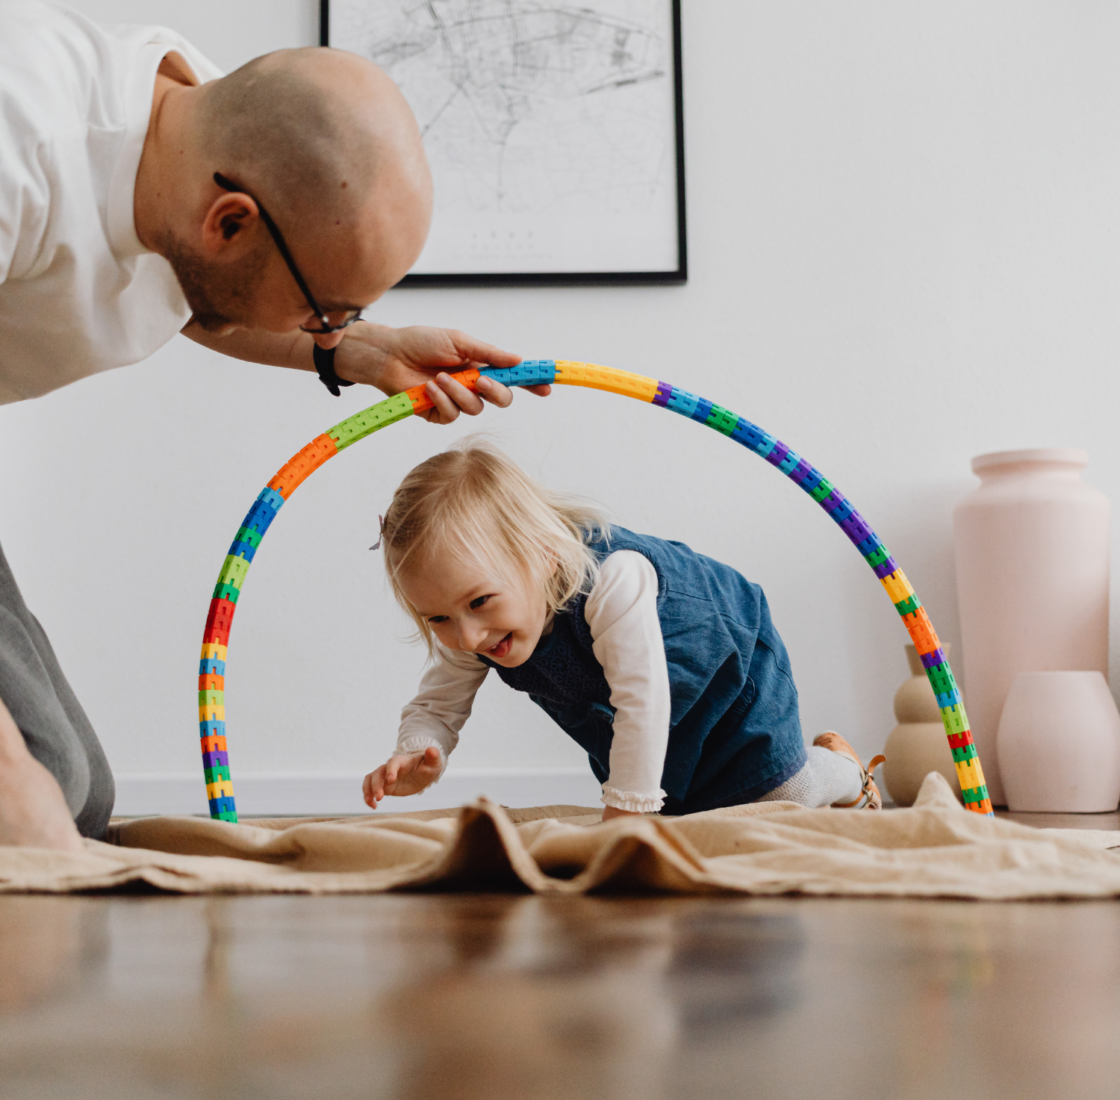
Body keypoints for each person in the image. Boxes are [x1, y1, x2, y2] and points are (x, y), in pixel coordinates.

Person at [0, 2, 544, 849]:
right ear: (231, 222)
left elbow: (190, 287)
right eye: (324, 310)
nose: (326, 328)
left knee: (78, 795)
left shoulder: (200, 139)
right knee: (31, 794)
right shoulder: (23, 148)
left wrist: (361, 349)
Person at [363, 443, 884, 819]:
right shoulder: (472, 623)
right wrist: (418, 750)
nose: (469, 636)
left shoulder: (614, 579)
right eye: (437, 619)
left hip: (731, 670)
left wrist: (626, 813)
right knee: (687, 813)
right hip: (646, 713)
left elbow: (642, 699)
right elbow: (438, 706)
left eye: (480, 602)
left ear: (543, 557)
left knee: (780, 796)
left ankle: (842, 771)